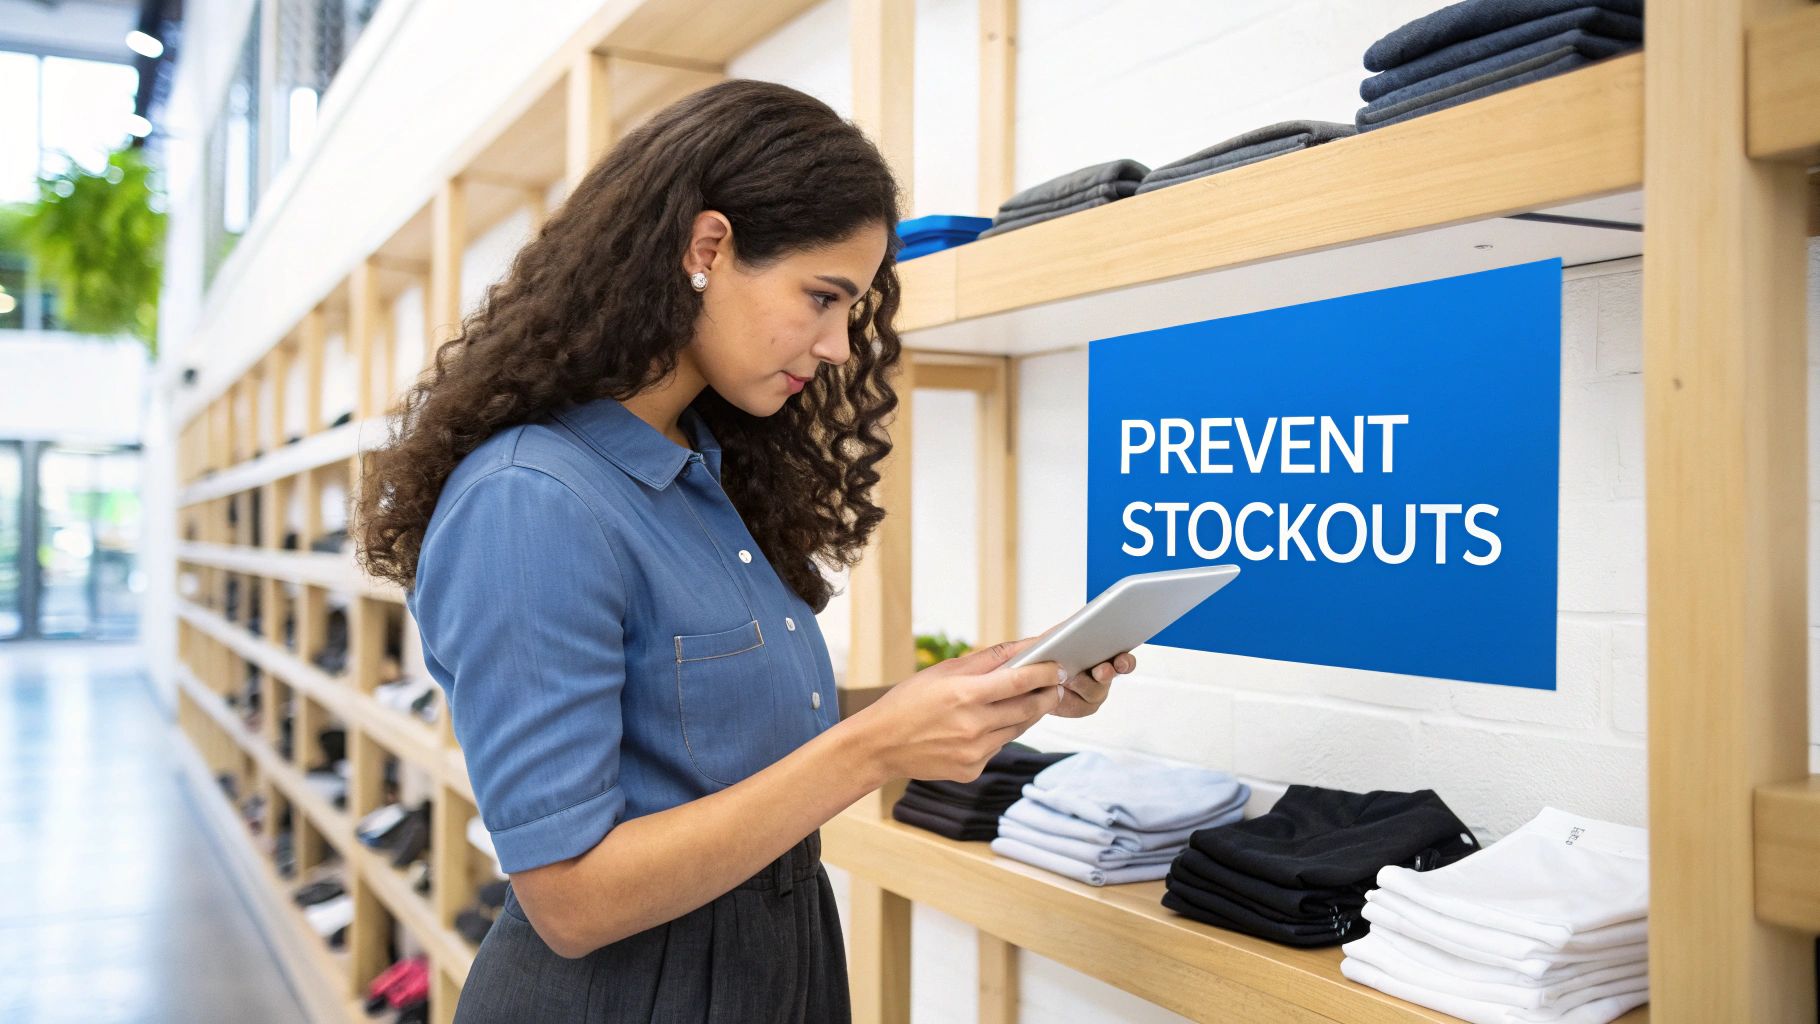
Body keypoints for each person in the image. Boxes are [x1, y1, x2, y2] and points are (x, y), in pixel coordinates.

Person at [355, 79, 1136, 1023]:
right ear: (708, 248)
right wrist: (873, 748)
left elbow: (731, 736)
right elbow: (568, 898)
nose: (842, 343)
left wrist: (965, 695)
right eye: (822, 296)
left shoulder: (699, 468)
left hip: (780, 958)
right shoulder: (532, 502)